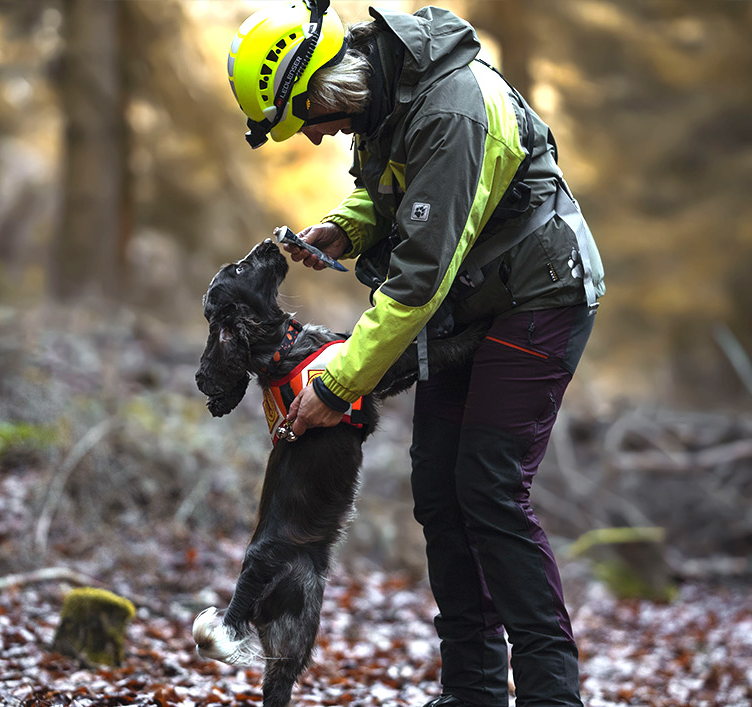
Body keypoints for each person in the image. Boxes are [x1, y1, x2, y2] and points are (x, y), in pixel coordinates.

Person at [226, 2, 605, 706]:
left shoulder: (453, 109)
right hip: (471, 302)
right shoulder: (381, 94)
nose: (312, 135)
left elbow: (418, 280)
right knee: (439, 491)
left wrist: (335, 384)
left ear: (324, 78)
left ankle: (553, 695)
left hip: (540, 295)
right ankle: (474, 691)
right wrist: (343, 227)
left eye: (306, 117)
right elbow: (393, 197)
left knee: (489, 490)